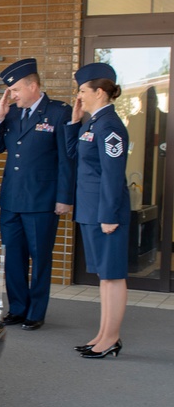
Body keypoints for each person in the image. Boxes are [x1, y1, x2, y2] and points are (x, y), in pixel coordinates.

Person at [0, 58, 75, 331]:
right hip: (11, 199)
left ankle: (36, 311)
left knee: (40, 257)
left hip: (42, 200)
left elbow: (67, 159)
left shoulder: (59, 112)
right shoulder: (10, 114)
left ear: (32, 86)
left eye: (14, 90)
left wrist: (64, 197)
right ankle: (18, 308)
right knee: (13, 257)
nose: (11, 95)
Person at [65, 62, 130, 359]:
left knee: (113, 276)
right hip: (92, 210)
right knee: (105, 276)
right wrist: (74, 123)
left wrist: (108, 215)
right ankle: (103, 335)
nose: (78, 96)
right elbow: (74, 156)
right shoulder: (92, 123)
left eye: (82, 90)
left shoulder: (110, 126)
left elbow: (113, 175)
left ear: (100, 92)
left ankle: (111, 339)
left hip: (105, 213)